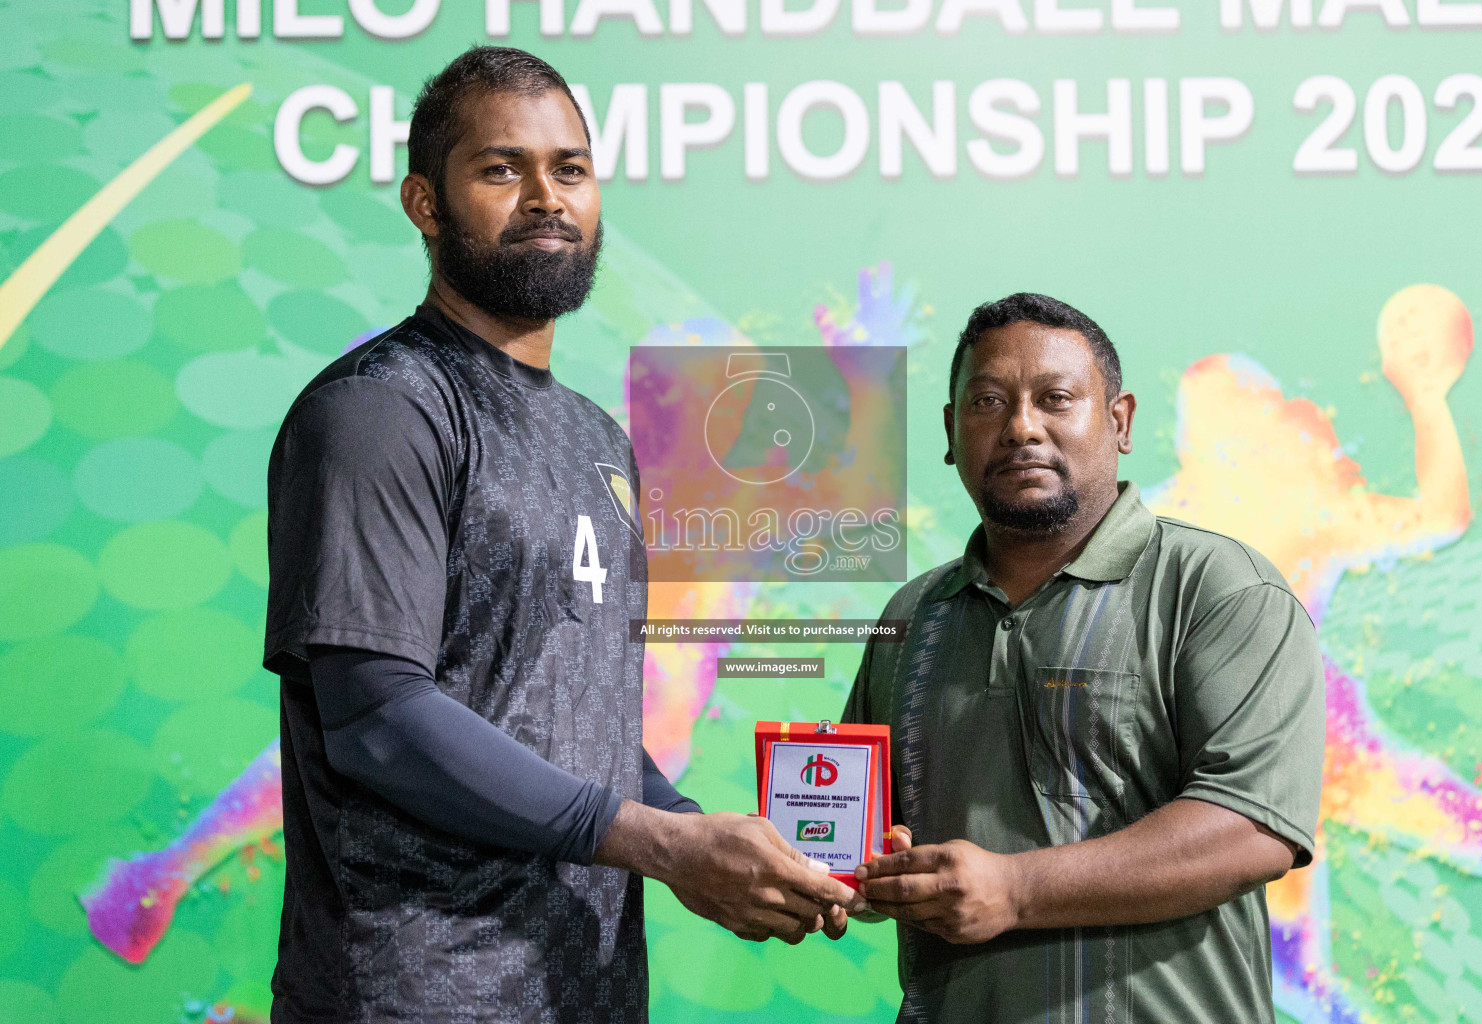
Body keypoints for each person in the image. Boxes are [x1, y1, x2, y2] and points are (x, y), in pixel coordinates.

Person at [263, 46, 852, 1024]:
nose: (546, 195)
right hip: (416, 996)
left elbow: (590, 734)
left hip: (588, 994)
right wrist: (659, 845)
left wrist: (716, 848)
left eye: (570, 168)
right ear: (424, 202)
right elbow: (378, 718)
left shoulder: (598, 439)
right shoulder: (382, 409)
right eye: (502, 168)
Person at [839, 293, 1326, 1023]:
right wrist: (845, 876)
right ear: (949, 430)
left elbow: (1251, 829)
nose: (1021, 428)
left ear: (1120, 421)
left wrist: (1013, 889)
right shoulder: (912, 617)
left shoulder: (1217, 588)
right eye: (987, 401)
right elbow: (863, 838)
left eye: (1056, 399)